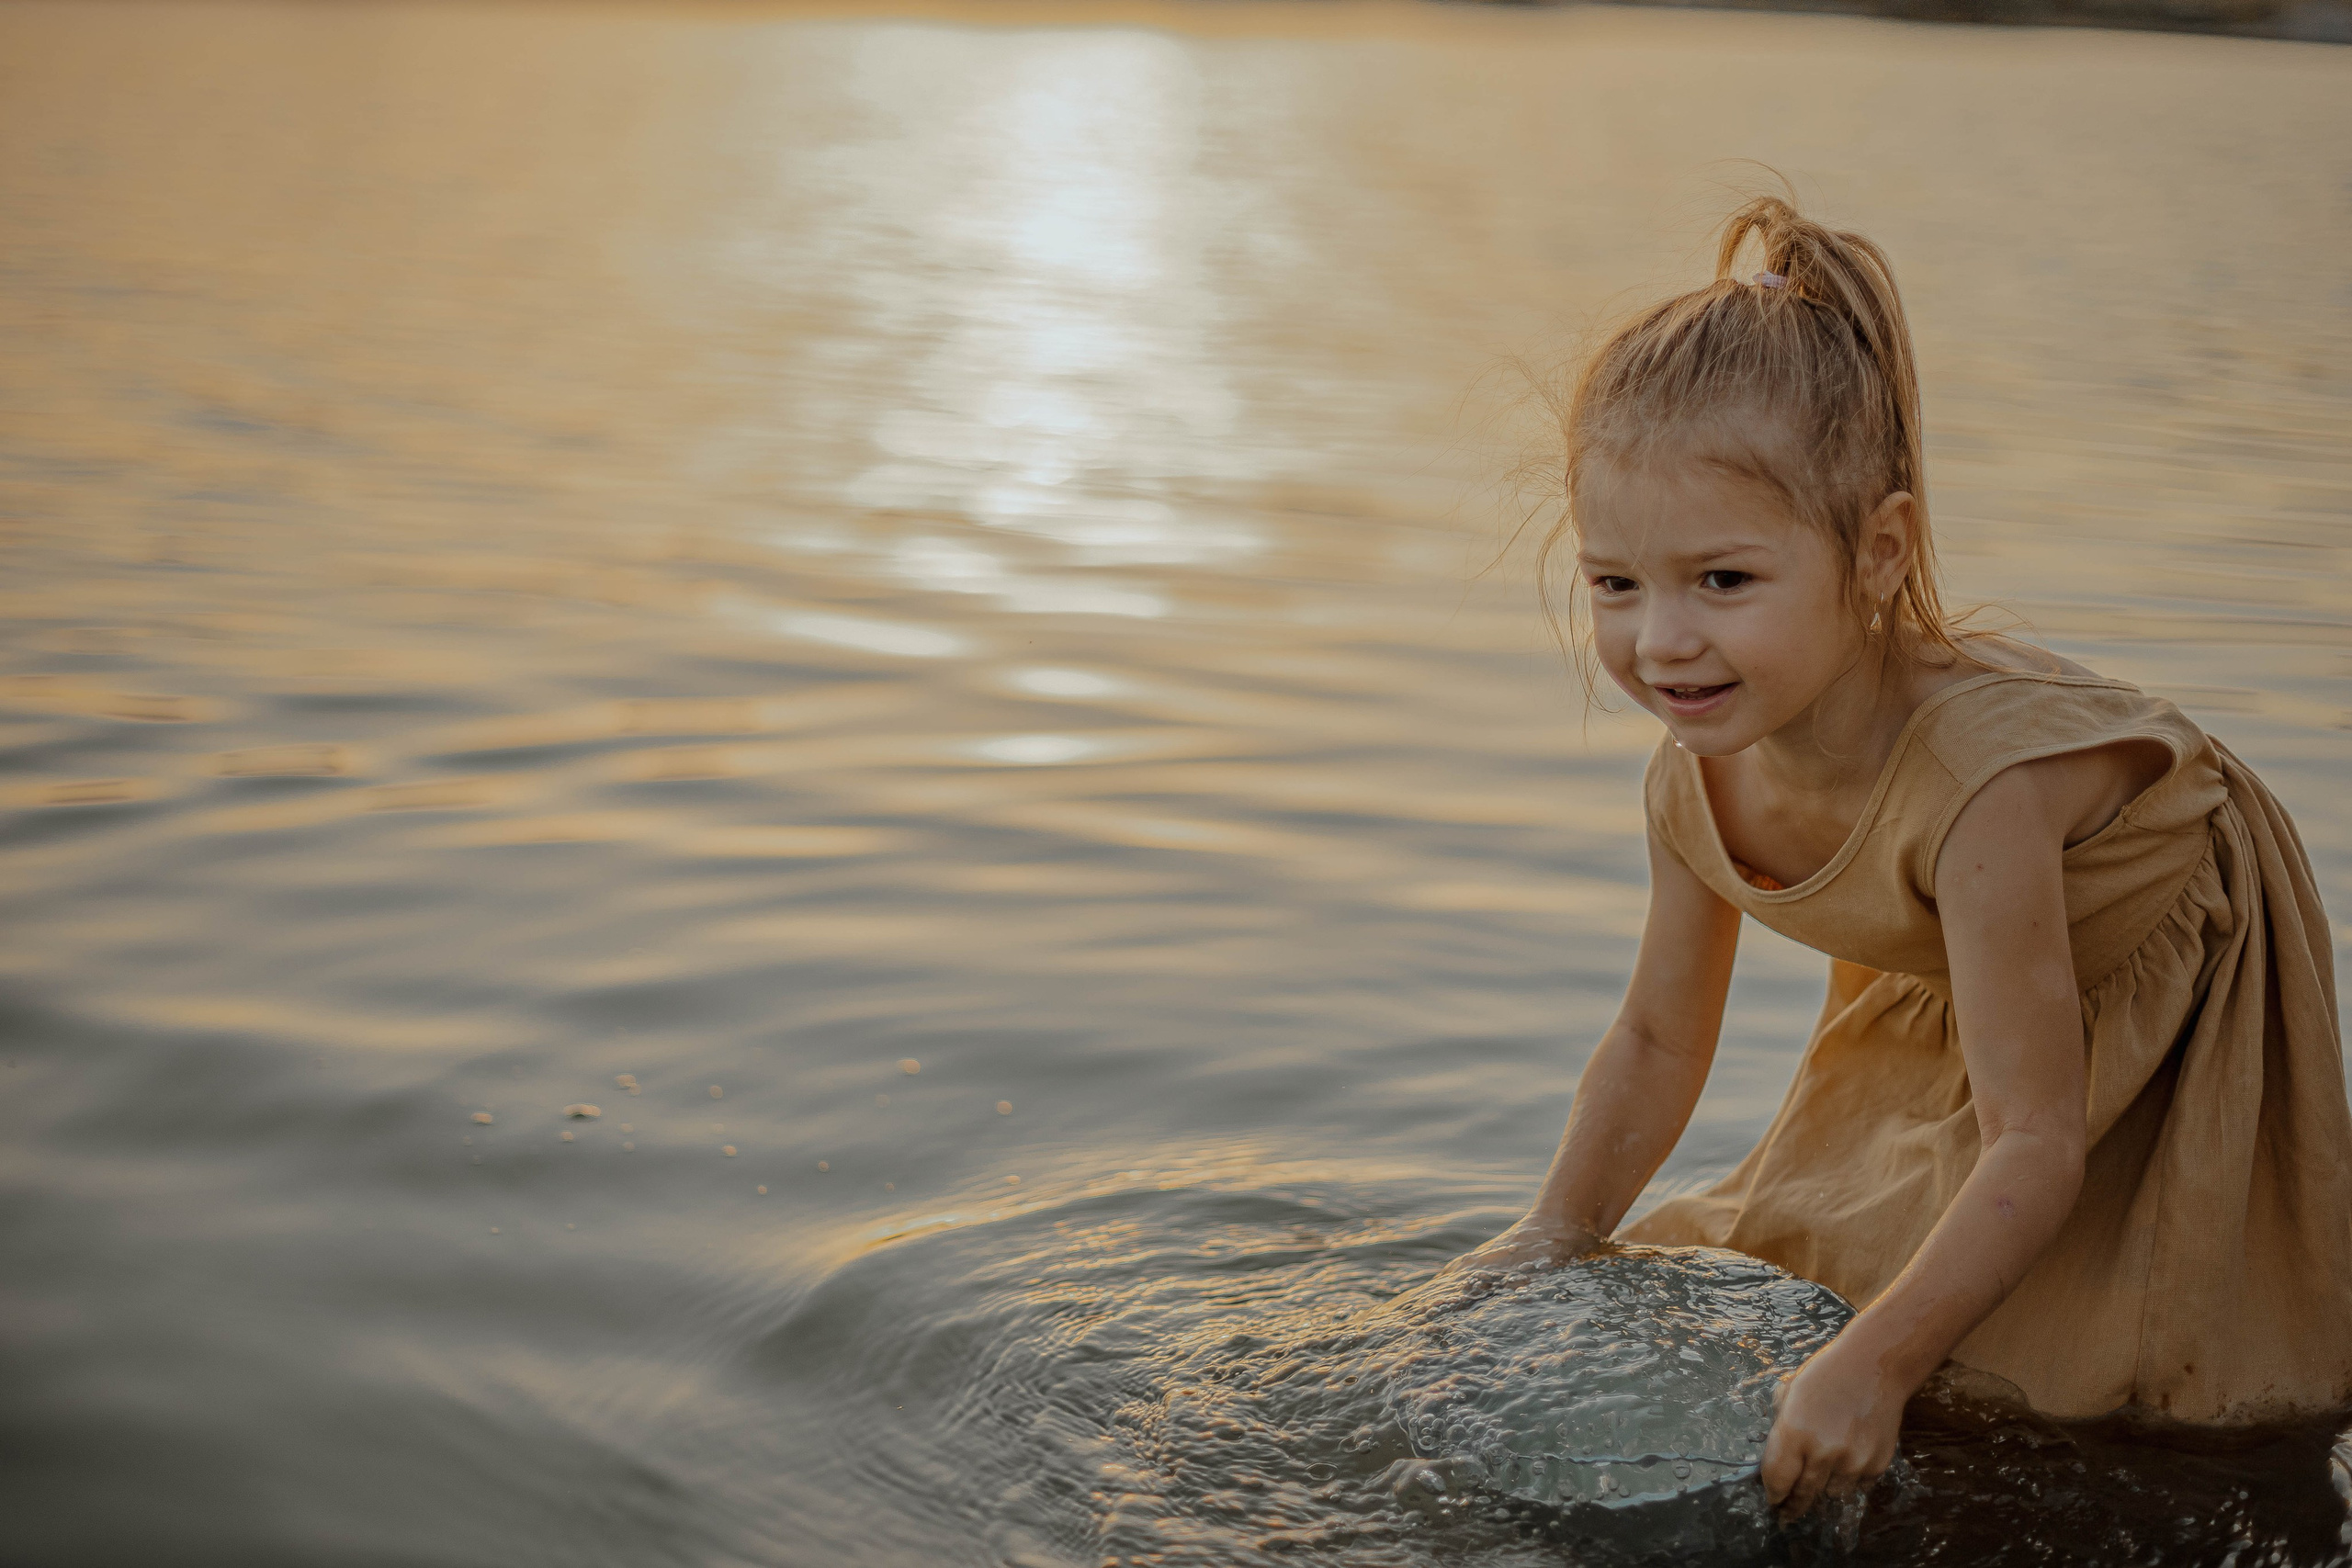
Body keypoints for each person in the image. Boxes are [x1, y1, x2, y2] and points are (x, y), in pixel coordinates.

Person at [1452, 193, 2352, 1520]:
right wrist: (1549, 1235)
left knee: (2108, 1372)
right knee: (1820, 1261)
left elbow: (2037, 1138)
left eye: (1725, 582)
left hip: (2153, 938)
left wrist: (1872, 1366)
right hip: (1965, 939)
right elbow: (1655, 1041)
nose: (1662, 645)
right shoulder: (1699, 762)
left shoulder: (1980, 795)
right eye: (1614, 584)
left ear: (1876, 553)